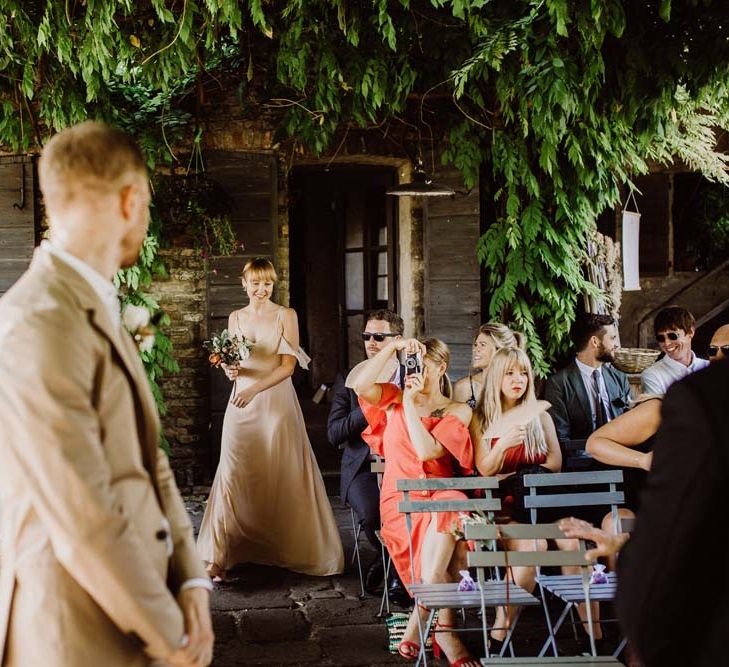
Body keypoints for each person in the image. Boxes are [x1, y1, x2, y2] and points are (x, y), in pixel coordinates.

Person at [0, 121, 213, 667]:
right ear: (130, 199)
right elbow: (82, 519)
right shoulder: (37, 322)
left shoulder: (94, 304)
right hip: (77, 632)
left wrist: (191, 580)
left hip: (140, 607)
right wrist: (172, 635)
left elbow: (151, 462)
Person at [563, 359, 729, 666]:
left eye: (726, 349)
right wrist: (641, 460)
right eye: (716, 349)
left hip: (666, 510)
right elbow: (595, 443)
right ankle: (605, 636)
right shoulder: (660, 409)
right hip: (624, 490)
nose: (719, 356)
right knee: (620, 523)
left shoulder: (704, 403)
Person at [197, 258, 344, 580]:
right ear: (244, 284)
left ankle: (282, 547)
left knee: (279, 473)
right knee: (234, 472)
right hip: (241, 402)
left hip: (275, 403)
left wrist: (254, 391)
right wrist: (229, 370)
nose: (261, 289)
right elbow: (232, 361)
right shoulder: (235, 317)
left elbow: (287, 368)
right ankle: (221, 556)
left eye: (267, 283)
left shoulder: (285, 315)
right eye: (256, 283)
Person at [352, 338, 478, 666]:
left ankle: (426, 620)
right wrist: (392, 347)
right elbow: (360, 383)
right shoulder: (392, 398)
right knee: (451, 535)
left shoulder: (457, 410)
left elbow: (427, 452)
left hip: (442, 494)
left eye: (424, 363)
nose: (417, 369)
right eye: (412, 361)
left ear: (442, 368)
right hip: (400, 499)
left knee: (451, 509)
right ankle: (443, 631)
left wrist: (410, 404)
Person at [470, 347, 561, 649]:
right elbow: (485, 469)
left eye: (523, 372)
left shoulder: (540, 417)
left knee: (535, 546)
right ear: (497, 376)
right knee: (531, 546)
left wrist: (512, 475)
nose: (518, 379)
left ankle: (500, 630)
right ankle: (502, 631)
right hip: (495, 510)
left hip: (531, 509)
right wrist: (503, 446)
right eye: (510, 373)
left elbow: (554, 464)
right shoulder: (480, 419)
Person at [327, 309, 409, 604]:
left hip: (404, 465)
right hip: (363, 467)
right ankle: (396, 567)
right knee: (375, 516)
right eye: (367, 336)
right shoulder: (350, 380)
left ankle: (393, 570)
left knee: (411, 511)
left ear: (398, 340)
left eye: (379, 336)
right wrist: (369, 408)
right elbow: (334, 433)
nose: (371, 343)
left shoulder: (412, 376)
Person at [543, 313, 631, 469]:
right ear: (595, 341)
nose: (616, 344)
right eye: (612, 338)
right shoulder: (558, 383)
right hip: (581, 467)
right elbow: (561, 438)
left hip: (622, 461)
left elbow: (630, 425)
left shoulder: (620, 379)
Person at [453, 323, 526, 408]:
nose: (475, 350)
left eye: (482, 345)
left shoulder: (514, 385)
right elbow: (457, 420)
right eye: (476, 345)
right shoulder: (465, 387)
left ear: (499, 350)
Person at [640, 305, 709, 395]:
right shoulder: (652, 375)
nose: (667, 343)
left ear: (690, 333)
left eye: (673, 336)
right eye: (660, 338)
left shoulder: (709, 366)